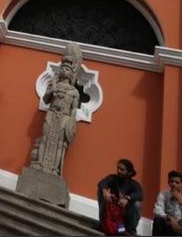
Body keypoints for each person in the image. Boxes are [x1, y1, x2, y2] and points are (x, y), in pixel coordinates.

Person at [30, 42, 87, 175]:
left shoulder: (74, 92)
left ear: (72, 73)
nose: (63, 70)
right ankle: (40, 163)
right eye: (62, 68)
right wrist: (51, 90)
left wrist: (71, 123)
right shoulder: (53, 85)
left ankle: (54, 169)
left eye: (67, 69)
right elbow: (45, 100)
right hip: (51, 113)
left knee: (59, 144)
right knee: (45, 138)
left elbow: (73, 110)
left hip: (64, 117)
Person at [97, 159, 143, 235]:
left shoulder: (134, 184)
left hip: (123, 219)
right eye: (118, 168)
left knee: (137, 204)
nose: (118, 171)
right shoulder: (113, 178)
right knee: (101, 191)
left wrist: (127, 198)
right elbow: (102, 182)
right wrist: (105, 191)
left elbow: (140, 194)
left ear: (129, 172)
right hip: (112, 214)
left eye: (122, 169)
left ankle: (130, 231)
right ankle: (102, 224)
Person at [153, 170, 182, 236]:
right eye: (171, 181)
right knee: (158, 220)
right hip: (168, 226)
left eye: (177, 182)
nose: (173, 184)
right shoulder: (163, 194)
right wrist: (170, 218)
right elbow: (157, 210)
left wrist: (181, 202)